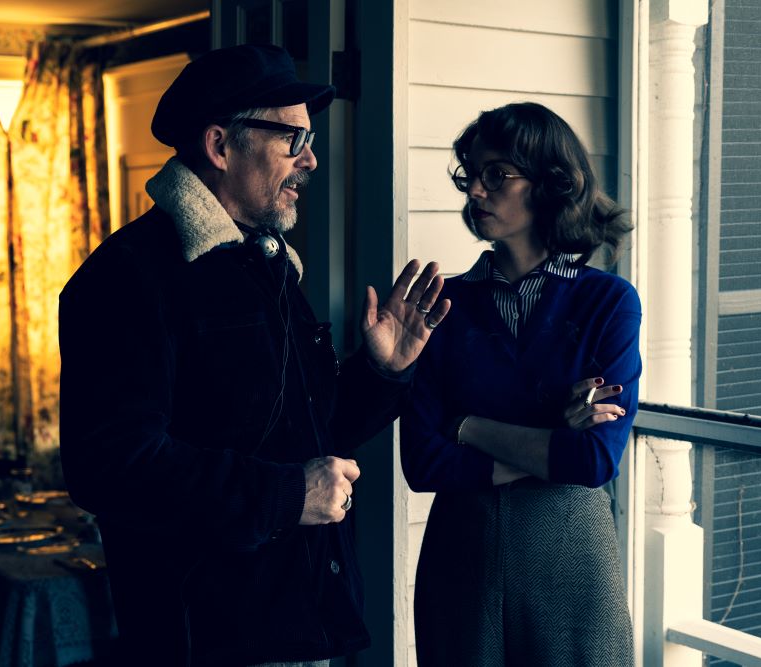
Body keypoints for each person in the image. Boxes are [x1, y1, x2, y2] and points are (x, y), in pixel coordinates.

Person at [58, 44, 449, 667]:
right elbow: (110, 465)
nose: (311, 159)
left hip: (297, 619)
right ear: (220, 147)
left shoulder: (267, 268)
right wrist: (287, 496)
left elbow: (311, 435)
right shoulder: (126, 280)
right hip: (203, 639)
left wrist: (382, 372)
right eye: (294, 139)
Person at [400, 102, 641, 666]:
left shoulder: (606, 302)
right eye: (471, 176)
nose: (476, 191)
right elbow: (422, 462)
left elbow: (593, 462)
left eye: (497, 175)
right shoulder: (444, 307)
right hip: (461, 557)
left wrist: (467, 425)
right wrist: (552, 432)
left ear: (550, 185)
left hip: (572, 559)